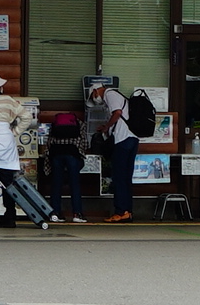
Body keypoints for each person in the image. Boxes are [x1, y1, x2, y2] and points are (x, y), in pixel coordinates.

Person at [0, 72, 54, 232]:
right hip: (7, 144)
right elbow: (27, 117)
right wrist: (14, 132)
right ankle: (10, 217)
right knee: (7, 183)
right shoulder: (8, 101)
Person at [87, 73, 139, 223]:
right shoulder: (117, 96)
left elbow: (118, 113)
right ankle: (128, 211)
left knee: (119, 177)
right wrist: (107, 126)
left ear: (96, 91)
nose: (95, 101)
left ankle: (120, 211)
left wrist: (106, 128)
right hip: (132, 139)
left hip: (122, 140)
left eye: (93, 98)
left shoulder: (110, 94)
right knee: (126, 177)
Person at [42, 101, 86, 223]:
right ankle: (77, 214)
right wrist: (81, 154)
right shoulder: (79, 123)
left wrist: (48, 157)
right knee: (74, 184)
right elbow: (83, 141)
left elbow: (49, 141)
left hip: (57, 153)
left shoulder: (55, 124)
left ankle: (55, 213)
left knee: (56, 184)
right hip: (72, 154)